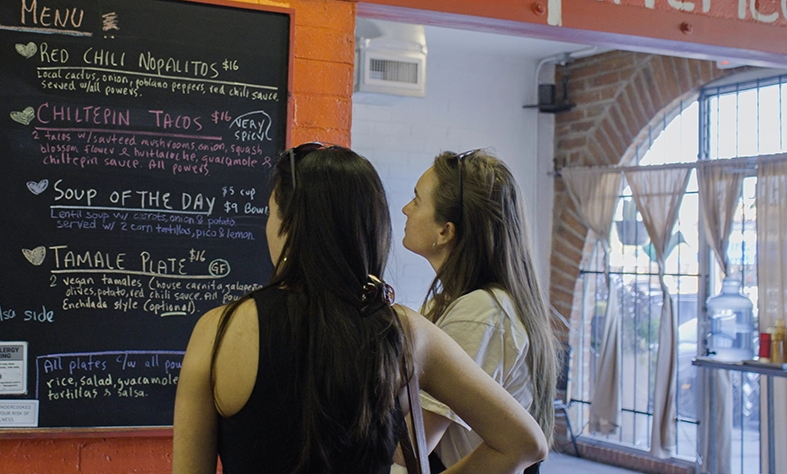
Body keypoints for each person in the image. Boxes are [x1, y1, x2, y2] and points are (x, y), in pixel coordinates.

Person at [173, 143, 547, 474]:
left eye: (272, 213)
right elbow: (524, 443)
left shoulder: (217, 330)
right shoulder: (406, 331)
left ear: (292, 224)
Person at [399, 149, 558, 471]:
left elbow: (411, 448)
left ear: (445, 231)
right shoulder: (458, 304)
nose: (405, 209)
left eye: (416, 200)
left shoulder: (481, 314)